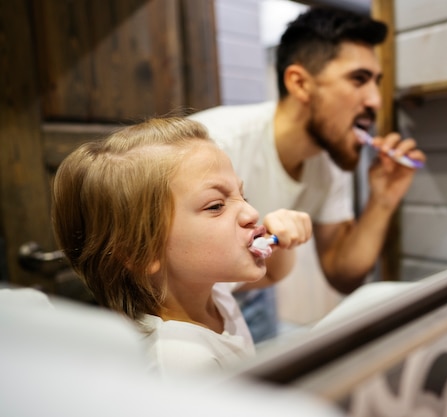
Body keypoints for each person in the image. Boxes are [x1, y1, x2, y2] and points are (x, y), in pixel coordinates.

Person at [189, 6, 426, 342]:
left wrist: (384, 199)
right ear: (299, 83)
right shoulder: (214, 144)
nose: (375, 100)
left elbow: (343, 273)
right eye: (358, 79)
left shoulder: (327, 160)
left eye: (376, 82)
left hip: (249, 294)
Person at [50, 117, 312, 378]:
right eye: (216, 206)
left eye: (242, 196)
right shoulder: (181, 363)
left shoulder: (205, 287)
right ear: (141, 251)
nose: (251, 212)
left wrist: (283, 240)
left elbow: (272, 274)